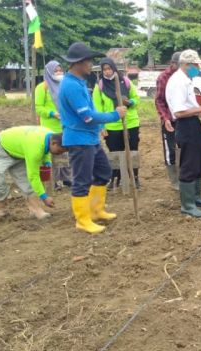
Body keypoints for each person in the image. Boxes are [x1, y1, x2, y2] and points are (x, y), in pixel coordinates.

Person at [57, 42, 126, 234]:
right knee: (82, 180)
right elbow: (87, 116)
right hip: (79, 140)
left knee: (103, 172)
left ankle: (96, 211)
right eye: (88, 61)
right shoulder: (71, 85)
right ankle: (83, 220)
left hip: (90, 138)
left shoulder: (80, 83)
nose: (91, 65)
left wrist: (101, 125)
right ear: (78, 63)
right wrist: (114, 115)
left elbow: (93, 112)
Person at [166, 49, 201, 218]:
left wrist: (200, 112)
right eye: (196, 65)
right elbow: (179, 112)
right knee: (189, 163)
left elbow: (188, 106)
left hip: (193, 123)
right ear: (186, 64)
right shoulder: (177, 82)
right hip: (185, 126)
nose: (198, 68)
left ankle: (196, 196)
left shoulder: (186, 80)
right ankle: (187, 204)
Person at [0, 126, 67, 220]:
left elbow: (45, 148)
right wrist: (44, 197)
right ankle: (0, 210)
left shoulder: (52, 135)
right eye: (60, 150)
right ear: (54, 143)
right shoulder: (35, 149)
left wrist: (47, 161)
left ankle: (35, 210)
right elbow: (33, 176)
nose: (60, 153)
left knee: (26, 181)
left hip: (19, 151)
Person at [93, 57, 142, 190]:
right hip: (111, 125)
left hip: (130, 122)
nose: (108, 72)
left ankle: (135, 177)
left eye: (109, 69)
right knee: (115, 153)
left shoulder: (125, 81)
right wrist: (101, 126)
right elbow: (97, 108)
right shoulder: (100, 86)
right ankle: (115, 177)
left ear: (114, 68)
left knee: (132, 151)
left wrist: (130, 102)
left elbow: (136, 98)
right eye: (105, 69)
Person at [35, 60, 72, 190]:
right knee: (52, 153)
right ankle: (55, 181)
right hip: (49, 127)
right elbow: (38, 108)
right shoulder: (42, 88)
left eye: (60, 70)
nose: (58, 73)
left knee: (66, 152)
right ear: (49, 72)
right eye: (55, 71)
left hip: (65, 125)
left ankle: (67, 179)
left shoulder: (64, 85)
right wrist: (52, 113)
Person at [155, 51, 182, 190]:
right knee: (170, 149)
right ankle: (174, 179)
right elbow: (159, 101)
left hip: (182, 119)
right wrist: (165, 118)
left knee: (183, 147)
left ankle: (183, 175)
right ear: (173, 64)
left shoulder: (183, 77)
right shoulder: (163, 78)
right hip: (169, 120)